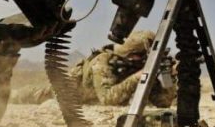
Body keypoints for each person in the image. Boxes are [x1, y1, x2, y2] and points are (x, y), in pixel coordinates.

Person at [10, 30, 176, 107]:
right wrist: (137, 78)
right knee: (27, 95)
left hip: (87, 100)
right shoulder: (103, 62)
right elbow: (107, 99)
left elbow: (164, 103)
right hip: (67, 91)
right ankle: (0, 96)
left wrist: (168, 77)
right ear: (134, 55)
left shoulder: (136, 65)